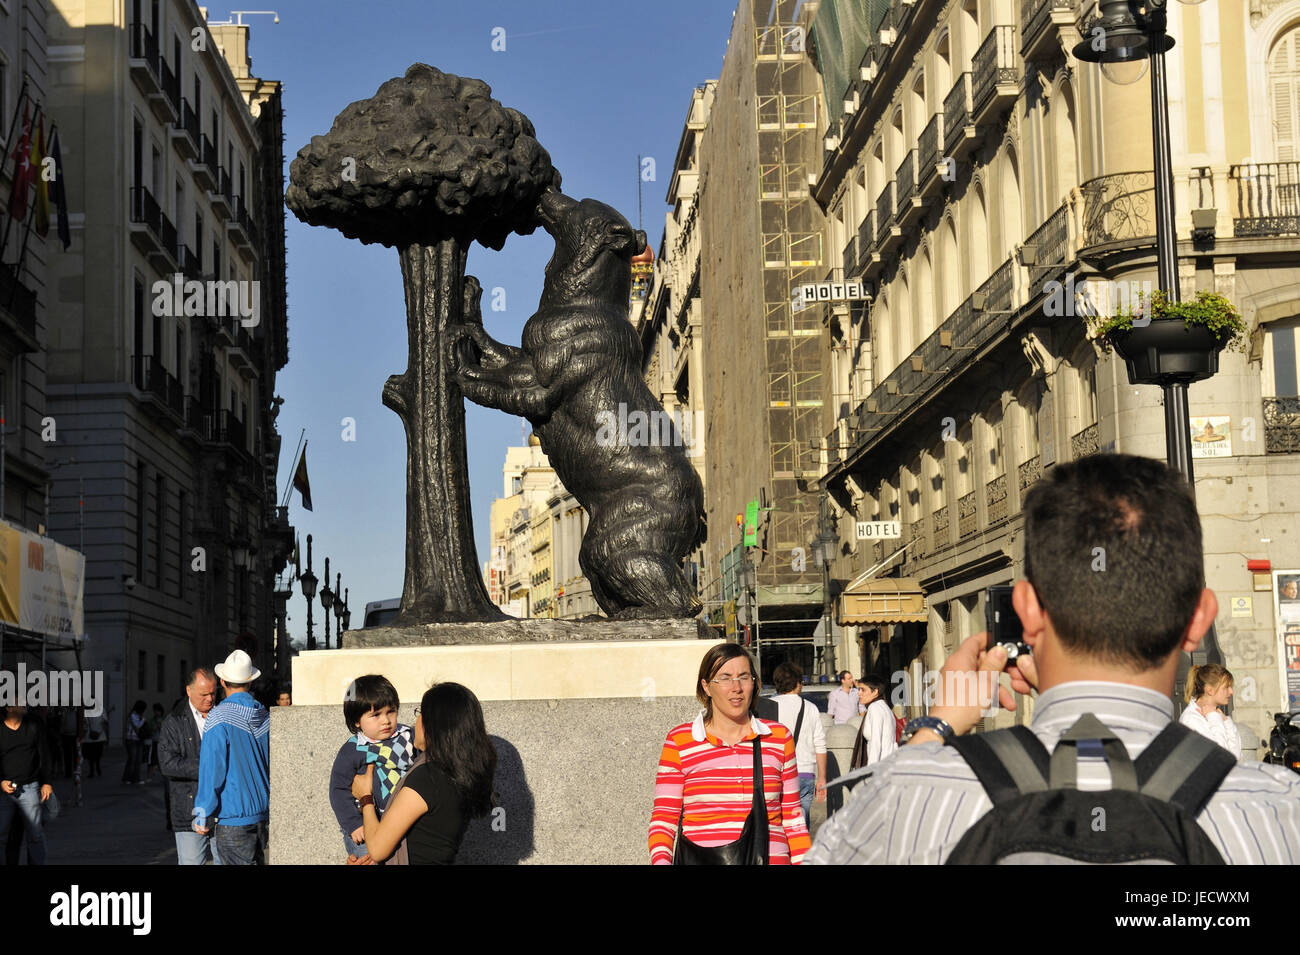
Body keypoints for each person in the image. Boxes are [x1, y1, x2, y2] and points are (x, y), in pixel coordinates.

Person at [807, 453, 1300, 864]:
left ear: (1025, 613)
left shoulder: (917, 794)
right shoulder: (1275, 810)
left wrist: (935, 728)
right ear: (1199, 619)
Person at [648, 643, 810, 865]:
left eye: (744, 677)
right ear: (706, 686)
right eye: (724, 678)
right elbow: (664, 819)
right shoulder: (681, 741)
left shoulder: (778, 738)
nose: (736, 687)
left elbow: (793, 817)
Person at [349, 682, 495, 865]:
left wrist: (365, 797)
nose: (415, 721)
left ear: (432, 724)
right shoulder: (458, 774)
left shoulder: (428, 779)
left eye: (420, 713)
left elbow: (378, 849)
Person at [193, 650, 270, 865]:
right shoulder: (263, 714)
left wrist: (202, 812)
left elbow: (212, 769)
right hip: (260, 814)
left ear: (222, 681)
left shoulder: (219, 716)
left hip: (233, 815)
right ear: (250, 682)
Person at [329, 675, 417, 861]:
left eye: (390, 711)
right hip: (366, 825)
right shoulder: (353, 749)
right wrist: (353, 824)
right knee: (367, 858)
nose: (385, 720)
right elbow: (338, 790)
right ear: (356, 721)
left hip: (402, 820)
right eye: (376, 715)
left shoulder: (408, 737)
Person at [159, 668, 222, 865]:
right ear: (188, 691)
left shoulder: (222, 715)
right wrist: (207, 768)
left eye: (213, 693)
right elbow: (168, 764)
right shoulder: (173, 722)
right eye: (203, 694)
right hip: (189, 810)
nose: (210, 699)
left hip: (223, 811)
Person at [772, 662, 826, 822]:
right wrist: (822, 778)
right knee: (801, 827)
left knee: (778, 826)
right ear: (797, 683)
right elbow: (820, 744)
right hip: (805, 773)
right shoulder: (810, 708)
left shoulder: (768, 706)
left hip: (777, 774)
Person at [0, 705, 54, 865]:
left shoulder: (33, 724)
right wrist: (1, 780)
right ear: (9, 708)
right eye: (20, 702)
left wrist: (47, 782)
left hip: (30, 788)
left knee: (35, 835)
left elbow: (44, 754)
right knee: (3, 835)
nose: (24, 705)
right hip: (4, 792)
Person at [1180, 663, 1242, 762]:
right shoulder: (1191, 719)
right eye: (1226, 687)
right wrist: (1214, 718)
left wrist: (1227, 722)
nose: (1231, 691)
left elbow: (1235, 757)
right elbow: (1219, 758)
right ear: (1210, 690)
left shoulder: (1217, 716)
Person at [848, 675, 897, 772]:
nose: (859, 693)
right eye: (859, 689)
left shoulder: (874, 708)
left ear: (875, 692)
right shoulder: (885, 707)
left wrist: (870, 771)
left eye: (863, 690)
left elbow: (876, 742)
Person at [121, 700, 147, 785]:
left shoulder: (137, 715)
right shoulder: (132, 715)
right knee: (132, 759)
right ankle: (127, 778)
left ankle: (135, 778)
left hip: (138, 740)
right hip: (131, 740)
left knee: (138, 760)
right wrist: (143, 719)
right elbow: (137, 726)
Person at [83, 710, 108, 777]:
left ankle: (93, 769)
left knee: (92, 755)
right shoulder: (101, 710)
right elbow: (105, 722)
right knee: (96, 755)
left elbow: (84, 723)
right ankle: (96, 768)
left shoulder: (86, 711)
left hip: (90, 736)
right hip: (99, 736)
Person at [145, 703, 165, 782]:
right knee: (153, 760)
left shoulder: (164, 719)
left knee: (162, 760)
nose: (157, 713)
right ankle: (149, 776)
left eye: (158, 711)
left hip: (162, 742)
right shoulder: (152, 720)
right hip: (155, 741)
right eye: (155, 711)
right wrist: (155, 727)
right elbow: (149, 730)